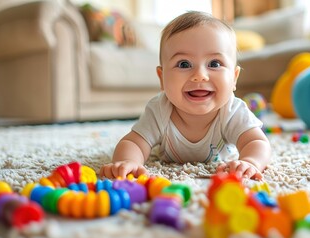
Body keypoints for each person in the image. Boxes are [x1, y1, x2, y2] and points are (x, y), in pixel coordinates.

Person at [99, 11, 272, 180]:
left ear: (234, 78)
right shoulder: (160, 110)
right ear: (162, 78)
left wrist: (250, 161)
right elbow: (134, 143)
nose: (200, 75)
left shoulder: (232, 110)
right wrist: (128, 162)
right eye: (184, 64)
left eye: (214, 63)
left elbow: (256, 142)